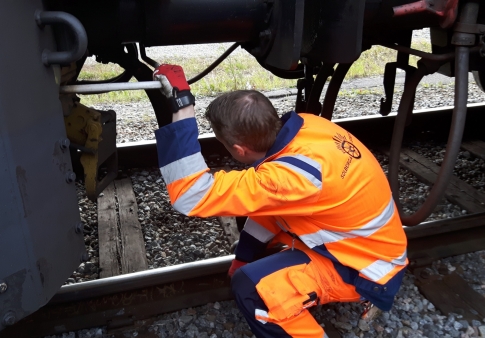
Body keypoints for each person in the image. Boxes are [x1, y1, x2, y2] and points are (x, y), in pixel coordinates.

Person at [153, 64, 408, 338]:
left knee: (251, 288)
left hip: (364, 271)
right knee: (251, 225)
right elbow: (271, 208)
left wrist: (182, 106)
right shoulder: (310, 126)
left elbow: (190, 195)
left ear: (239, 150)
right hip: (370, 247)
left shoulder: (288, 179)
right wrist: (244, 257)